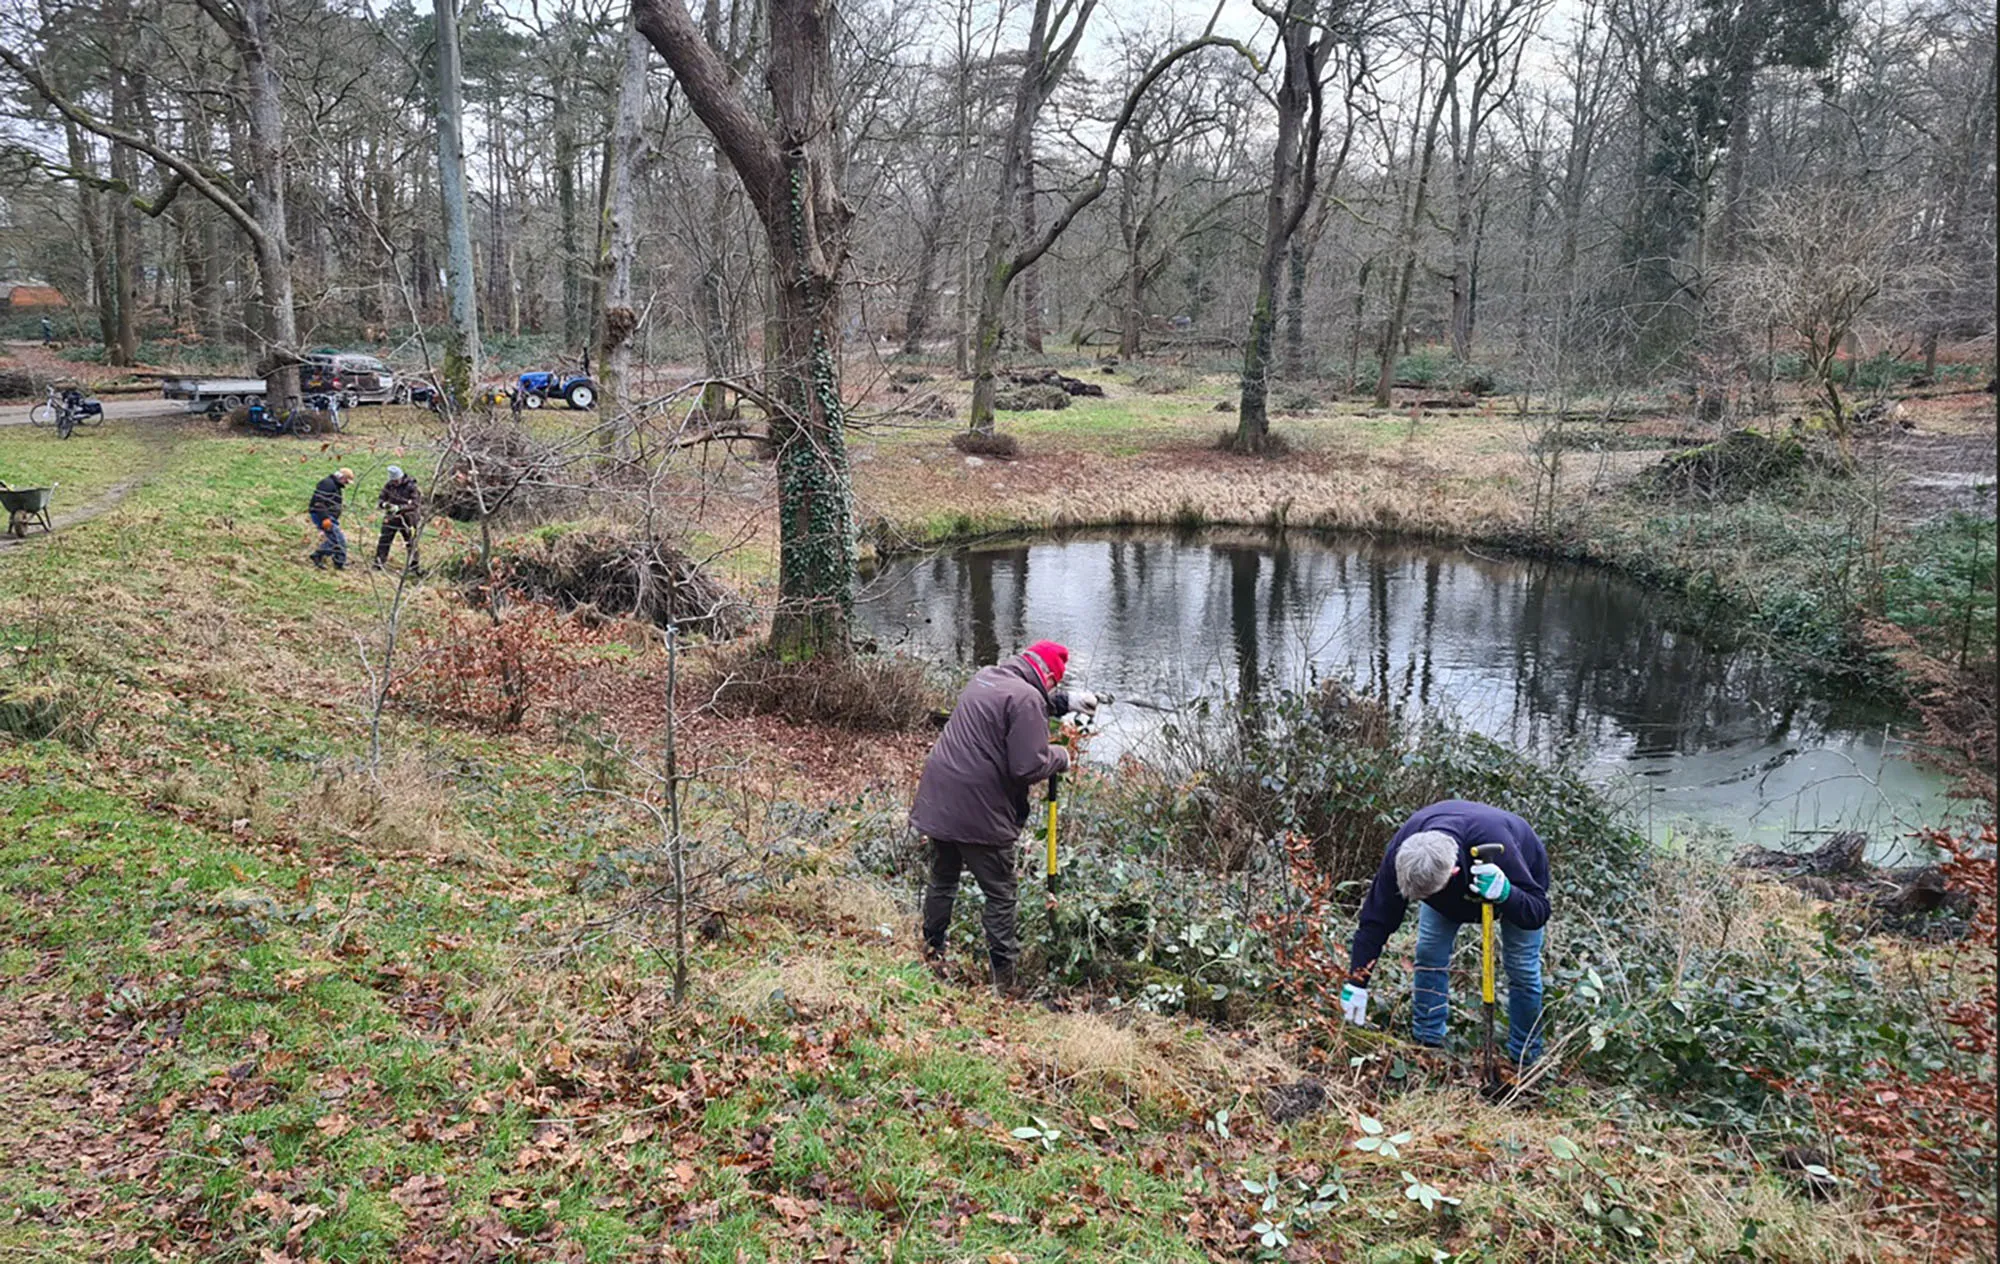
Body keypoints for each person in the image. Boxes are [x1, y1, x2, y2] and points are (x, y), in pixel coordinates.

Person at [910, 640, 1100, 992]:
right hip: (979, 810)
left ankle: (931, 950)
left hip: (940, 797)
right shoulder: (1027, 699)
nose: (1052, 691)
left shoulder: (987, 677)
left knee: (943, 877)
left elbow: (1016, 703)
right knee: (1000, 893)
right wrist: (1062, 755)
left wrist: (1065, 703)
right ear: (1045, 676)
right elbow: (1028, 766)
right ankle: (1005, 981)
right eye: (1054, 686)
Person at [1339, 800, 1551, 1065]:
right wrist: (1357, 980)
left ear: (1454, 872)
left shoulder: (1498, 844)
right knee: (1429, 953)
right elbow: (1376, 920)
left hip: (1514, 882)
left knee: (1522, 969)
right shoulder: (1405, 851)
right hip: (1451, 888)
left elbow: (1539, 911)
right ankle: (1428, 1044)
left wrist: (1507, 894)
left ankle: (1526, 1057)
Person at [374, 465, 421, 571]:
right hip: (392, 518)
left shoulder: (412, 486)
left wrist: (399, 508)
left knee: (411, 542)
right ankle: (379, 563)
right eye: (393, 481)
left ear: (401, 477)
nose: (394, 483)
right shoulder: (389, 485)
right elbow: (381, 498)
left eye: (396, 481)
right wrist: (385, 505)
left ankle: (414, 566)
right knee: (384, 540)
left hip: (408, 519)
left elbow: (415, 504)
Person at [307, 467, 354, 570]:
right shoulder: (327, 484)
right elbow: (319, 503)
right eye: (346, 480)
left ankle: (339, 562)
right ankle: (319, 555)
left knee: (336, 539)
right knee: (337, 539)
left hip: (328, 516)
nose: (346, 483)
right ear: (341, 477)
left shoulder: (334, 485)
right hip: (323, 516)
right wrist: (325, 519)